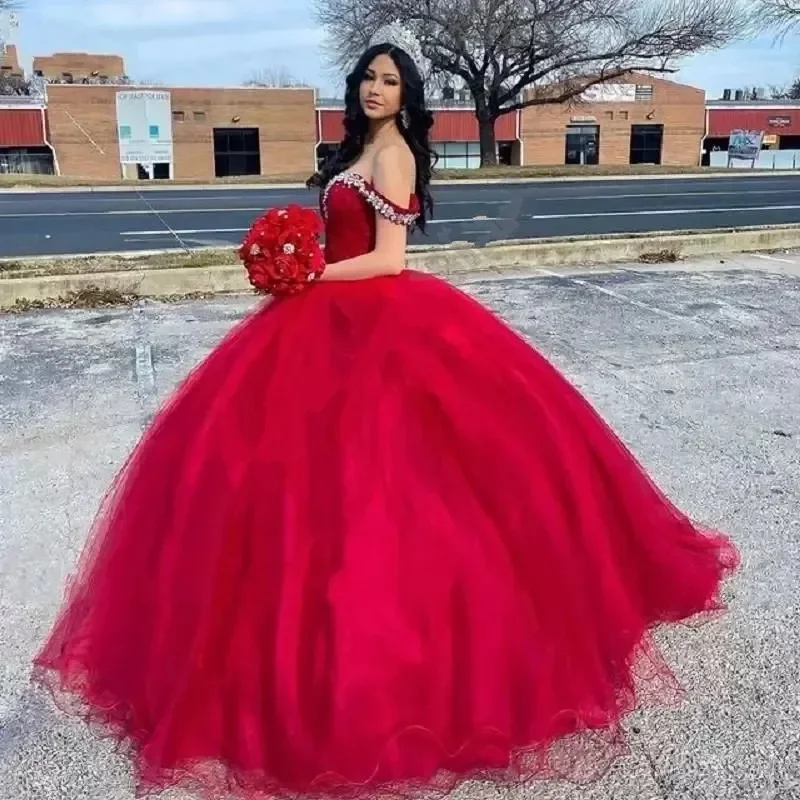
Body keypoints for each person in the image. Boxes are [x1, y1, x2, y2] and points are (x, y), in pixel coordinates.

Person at [32, 42, 738, 799]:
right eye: (369, 77)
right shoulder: (360, 147)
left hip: (371, 316)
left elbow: (390, 261)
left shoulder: (394, 153)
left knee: (391, 480)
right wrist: (299, 267)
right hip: (323, 320)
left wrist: (306, 273)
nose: (375, 89)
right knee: (279, 479)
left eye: (390, 80)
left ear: (407, 95)